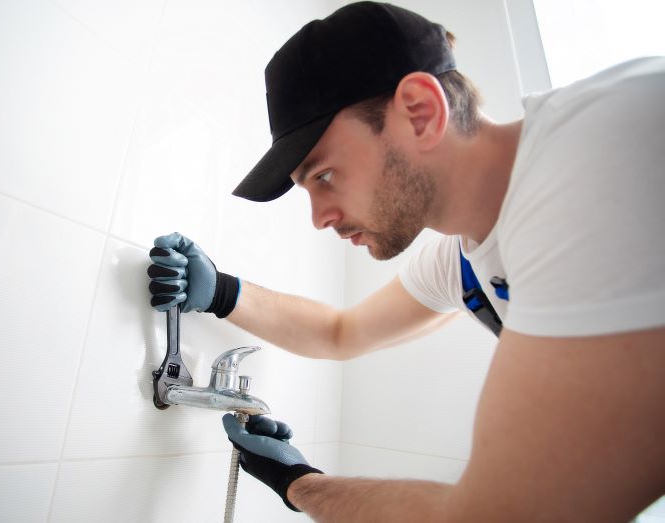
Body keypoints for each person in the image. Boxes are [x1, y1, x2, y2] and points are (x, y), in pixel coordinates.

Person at [147, 2, 665, 521]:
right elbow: (340, 332)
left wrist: (298, 483)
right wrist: (220, 292)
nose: (319, 218)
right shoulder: (462, 261)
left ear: (420, 111)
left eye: (323, 175)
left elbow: (495, 514)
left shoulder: (604, 147)